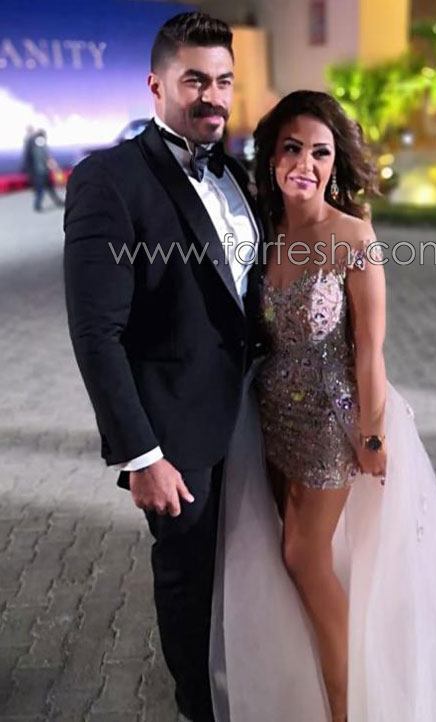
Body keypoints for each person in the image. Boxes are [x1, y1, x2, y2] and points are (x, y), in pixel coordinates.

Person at [209, 91, 436, 722]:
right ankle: (316, 682)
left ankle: (349, 709)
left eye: (320, 152)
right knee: (298, 555)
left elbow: (370, 351)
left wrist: (371, 438)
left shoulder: (353, 236)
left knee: (303, 557)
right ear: (272, 156)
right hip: (272, 414)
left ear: (335, 162)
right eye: (292, 148)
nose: (305, 164)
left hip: (331, 420)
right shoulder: (266, 230)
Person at [63, 13, 264, 722]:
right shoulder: (109, 179)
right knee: (190, 585)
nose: (213, 96)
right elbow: (96, 332)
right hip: (176, 439)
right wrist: (142, 454)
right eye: (195, 80)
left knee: (250, 572)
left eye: (224, 81)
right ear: (156, 85)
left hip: (255, 420)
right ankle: (198, 709)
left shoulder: (237, 173)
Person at [22, 129, 64, 212]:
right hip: (43, 172)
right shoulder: (42, 147)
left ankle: (53, 202)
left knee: (48, 189)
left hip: (39, 172)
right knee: (43, 190)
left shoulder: (35, 147)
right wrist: (55, 167)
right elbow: (47, 159)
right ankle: (38, 205)